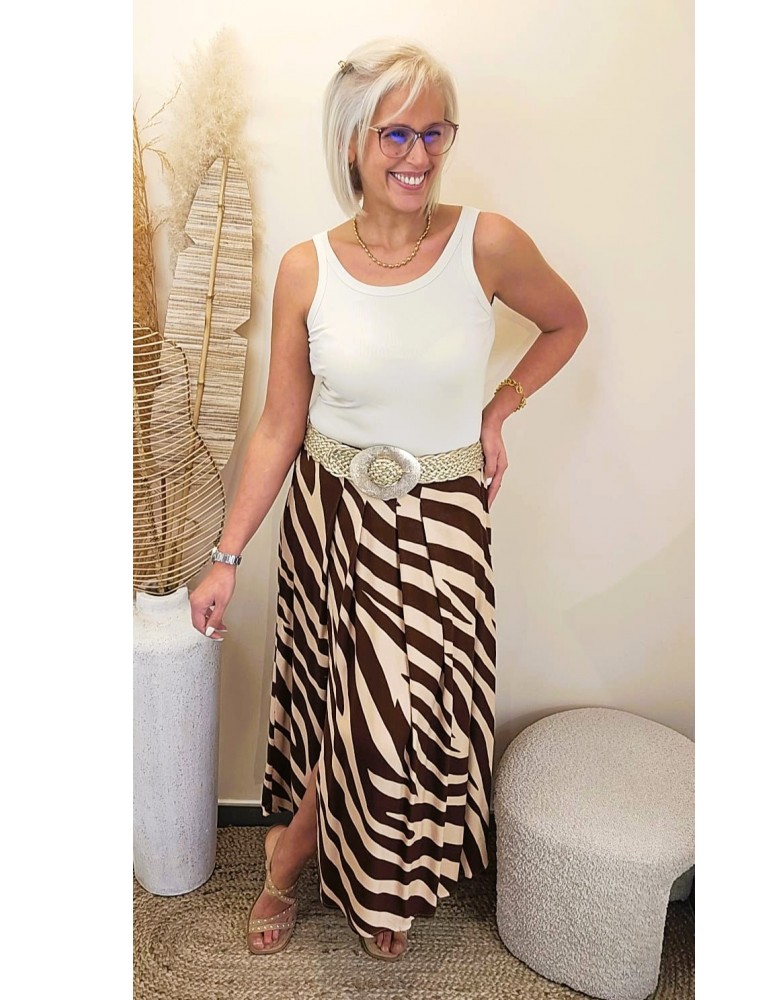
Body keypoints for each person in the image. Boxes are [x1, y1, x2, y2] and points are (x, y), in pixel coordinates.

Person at [189, 38, 588, 962]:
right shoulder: (307, 267)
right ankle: (341, 870)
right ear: (353, 143)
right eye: (395, 134)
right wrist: (225, 557)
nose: (418, 155)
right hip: (332, 514)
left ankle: (299, 858)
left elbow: (566, 322)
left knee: (405, 709)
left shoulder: (488, 242)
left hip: (445, 515)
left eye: (434, 132)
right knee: (349, 704)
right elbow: (279, 425)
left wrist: (501, 406)